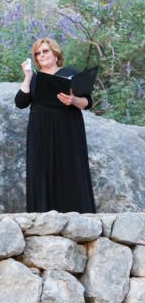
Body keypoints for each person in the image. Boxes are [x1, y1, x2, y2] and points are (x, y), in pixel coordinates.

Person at [16, 38, 96, 212]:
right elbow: (20, 102)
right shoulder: (35, 79)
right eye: (38, 53)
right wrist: (28, 76)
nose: (41, 55)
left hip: (67, 128)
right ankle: (43, 213)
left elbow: (87, 102)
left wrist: (73, 99)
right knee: (41, 168)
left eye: (45, 51)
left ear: (56, 53)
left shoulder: (70, 73)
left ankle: (76, 212)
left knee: (69, 167)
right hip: (40, 130)